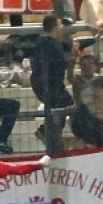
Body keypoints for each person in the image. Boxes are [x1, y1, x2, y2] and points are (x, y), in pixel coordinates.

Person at [30, 13, 74, 152]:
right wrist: (71, 58)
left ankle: (50, 133)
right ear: (55, 27)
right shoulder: (52, 45)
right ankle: (49, 134)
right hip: (51, 86)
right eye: (60, 25)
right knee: (66, 107)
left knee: (60, 109)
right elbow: (60, 65)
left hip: (43, 84)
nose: (62, 28)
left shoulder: (41, 43)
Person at [70, 53, 103, 147]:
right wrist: (71, 65)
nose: (87, 67)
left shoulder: (101, 80)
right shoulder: (77, 82)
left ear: (95, 66)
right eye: (84, 64)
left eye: (90, 63)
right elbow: (69, 77)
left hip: (99, 120)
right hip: (83, 121)